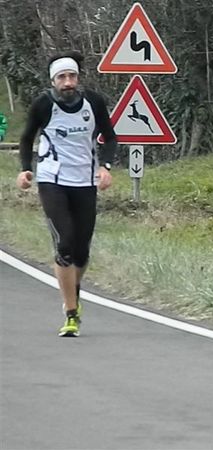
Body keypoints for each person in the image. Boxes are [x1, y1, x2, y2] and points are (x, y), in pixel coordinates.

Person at [16, 51, 117, 337]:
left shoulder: (93, 102)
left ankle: (73, 288)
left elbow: (110, 137)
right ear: (53, 81)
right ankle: (71, 313)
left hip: (85, 180)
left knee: (82, 250)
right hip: (52, 180)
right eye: (62, 77)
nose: (68, 82)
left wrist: (106, 167)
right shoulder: (44, 105)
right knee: (65, 243)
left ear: (78, 78)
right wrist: (25, 169)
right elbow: (26, 138)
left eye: (72, 76)